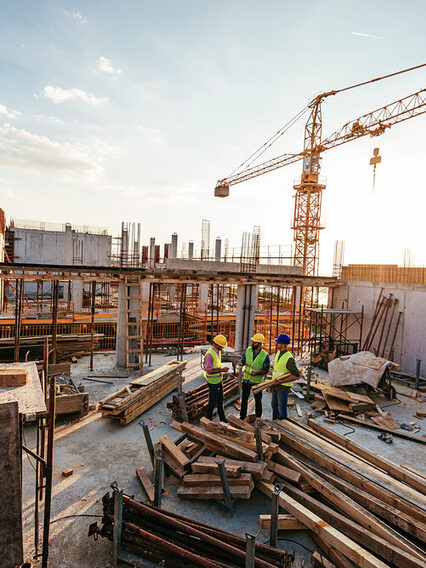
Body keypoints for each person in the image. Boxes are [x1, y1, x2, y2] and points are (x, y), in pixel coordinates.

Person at [237, 333, 270, 420]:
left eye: (254, 342)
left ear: (259, 344)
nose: (252, 344)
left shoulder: (265, 355)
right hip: (247, 380)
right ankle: (242, 416)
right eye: (252, 342)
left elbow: (266, 370)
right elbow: (243, 360)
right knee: (244, 400)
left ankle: (258, 418)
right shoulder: (248, 350)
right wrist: (241, 363)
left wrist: (257, 373)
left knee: (258, 401)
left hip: (257, 381)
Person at [271, 333, 300, 420]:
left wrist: (282, 381)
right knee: (274, 405)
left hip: (283, 387)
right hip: (275, 384)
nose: (277, 344)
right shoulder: (278, 353)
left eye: (278, 342)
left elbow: (296, 375)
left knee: (281, 408)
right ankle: (275, 423)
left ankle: (283, 425)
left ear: (283, 344)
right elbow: (278, 369)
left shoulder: (289, 358)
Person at [203, 334, 229, 422]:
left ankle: (223, 419)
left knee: (220, 400)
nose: (222, 348)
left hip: (218, 380)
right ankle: (208, 420)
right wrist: (222, 369)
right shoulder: (209, 355)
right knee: (212, 402)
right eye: (222, 346)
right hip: (212, 382)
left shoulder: (217, 351)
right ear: (217, 344)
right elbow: (209, 370)